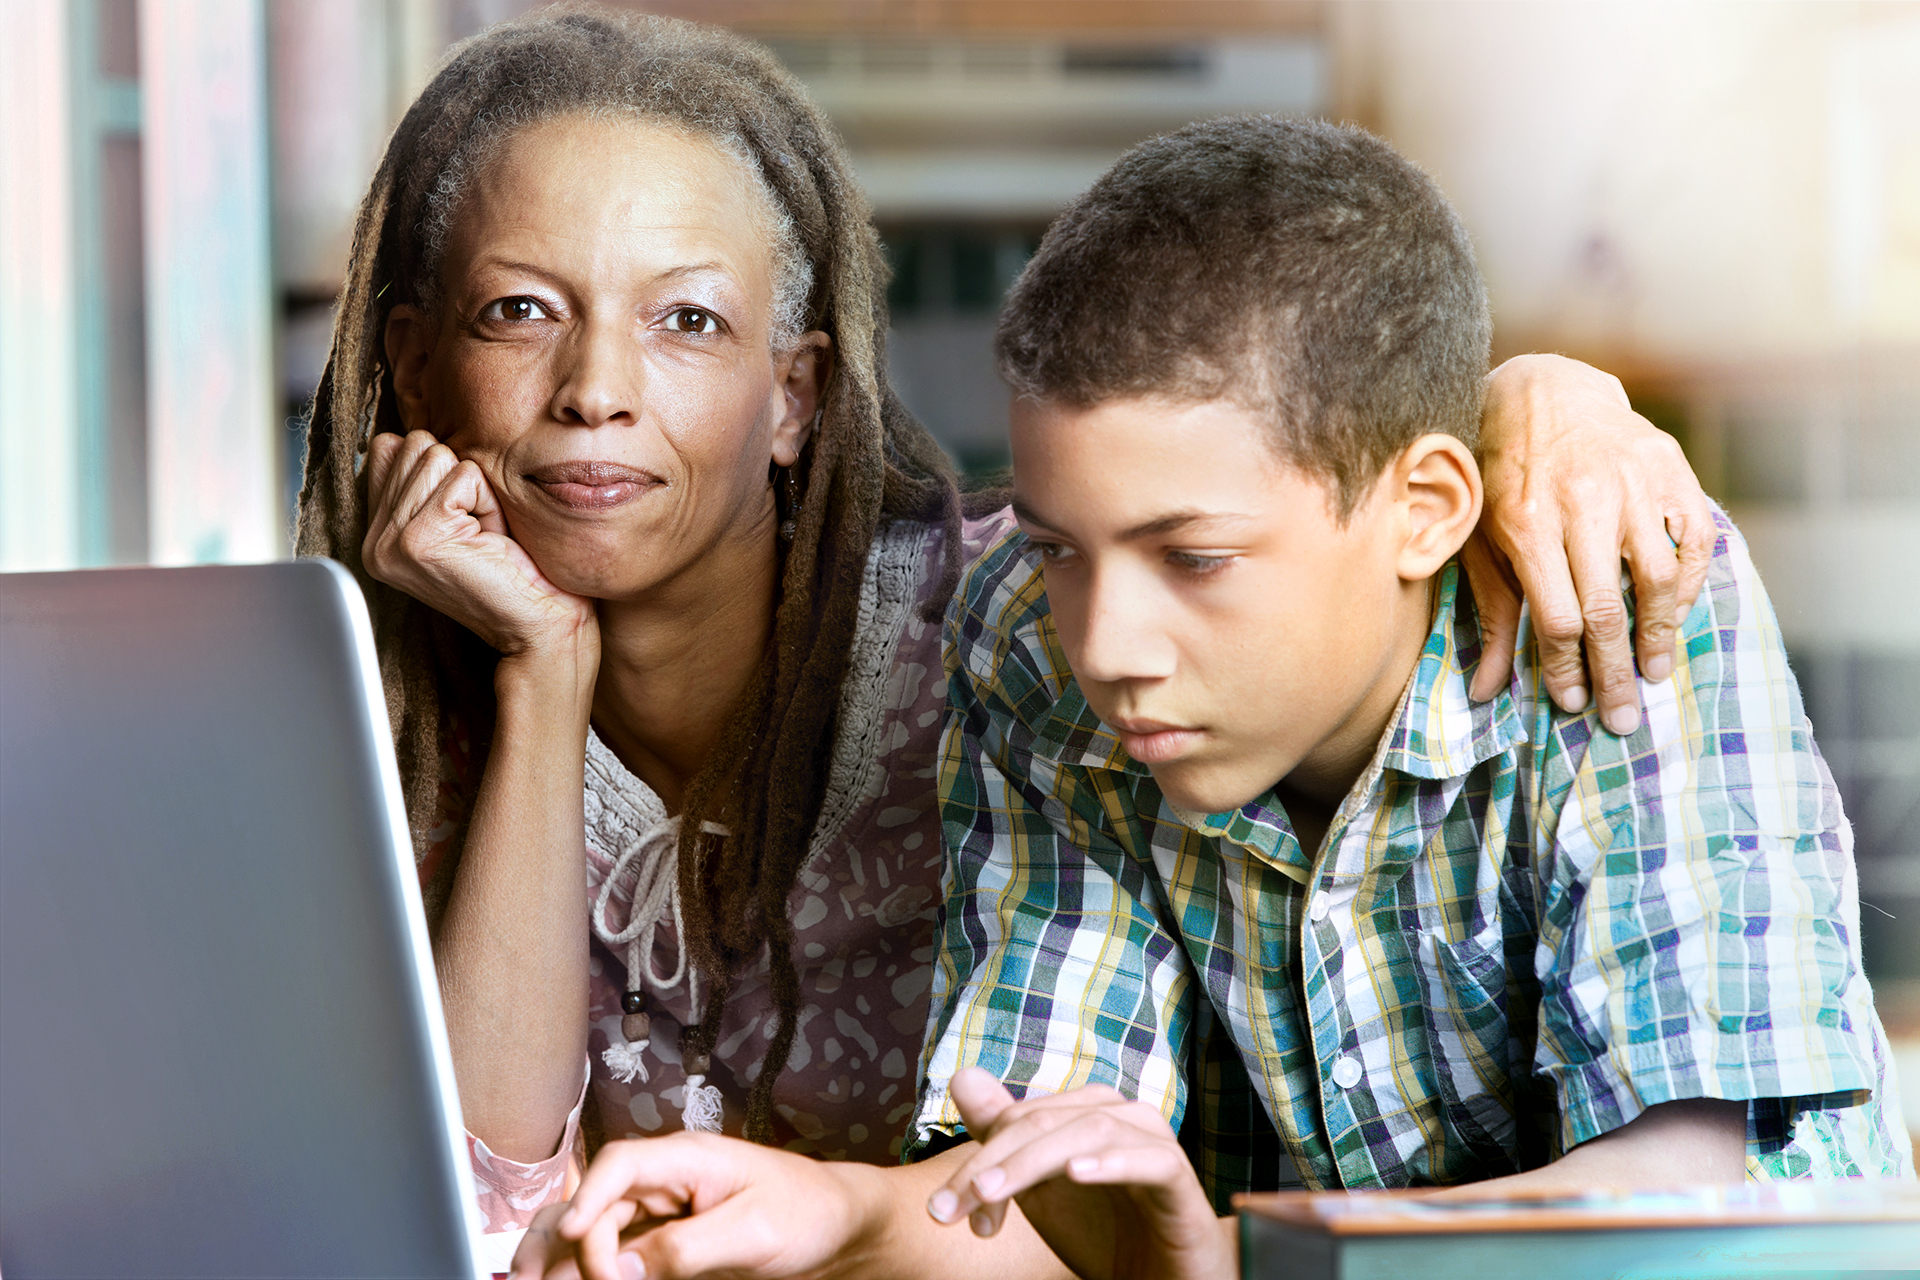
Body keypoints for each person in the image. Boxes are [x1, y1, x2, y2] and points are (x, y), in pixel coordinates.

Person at [292, 5, 1715, 1266]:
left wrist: (1544, 399)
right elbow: (475, 1221)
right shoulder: (371, 717)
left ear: (796, 397)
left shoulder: (1019, 624)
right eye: (519, 311)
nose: (594, 386)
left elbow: (1287, 458)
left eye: (688, 322)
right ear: (414, 360)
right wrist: (545, 676)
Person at [895, 117, 1911, 1279]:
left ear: (1427, 510)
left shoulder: (1623, 587)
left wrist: (1234, 1260)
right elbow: (1040, 1155)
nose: (1108, 647)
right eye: (1062, 548)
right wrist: (840, 1218)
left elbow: (1678, 1190)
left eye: (1196, 558)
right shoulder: (1028, 635)